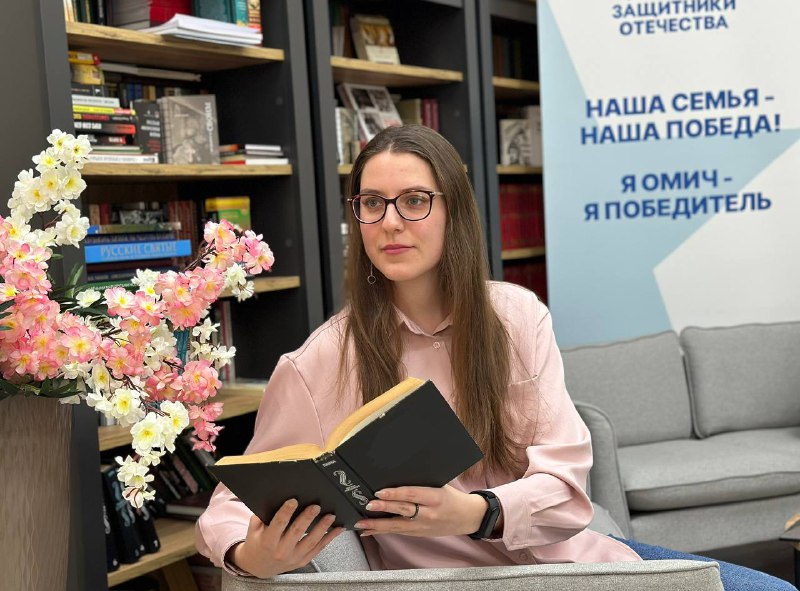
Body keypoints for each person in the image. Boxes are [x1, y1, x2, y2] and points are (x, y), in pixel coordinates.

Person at [196, 125, 795, 590]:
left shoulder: (516, 317)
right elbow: (229, 505)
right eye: (371, 203)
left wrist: (472, 512)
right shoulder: (320, 361)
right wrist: (252, 555)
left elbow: (566, 485)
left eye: (414, 201)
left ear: (453, 210)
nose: (390, 222)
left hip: (574, 564)